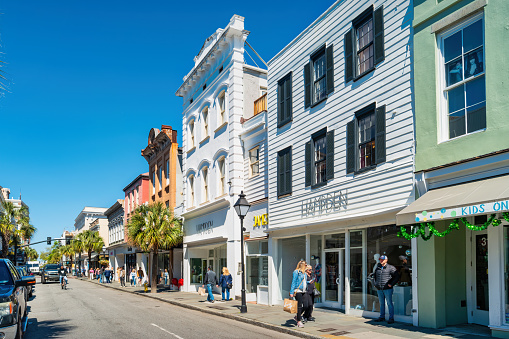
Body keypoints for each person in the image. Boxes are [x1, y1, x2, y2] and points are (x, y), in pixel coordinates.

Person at [373, 255, 400, 324]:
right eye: (380, 259)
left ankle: (391, 318)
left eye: (382, 259)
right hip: (379, 289)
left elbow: (397, 276)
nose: (381, 261)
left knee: (389, 303)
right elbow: (374, 276)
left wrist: (391, 284)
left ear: (386, 260)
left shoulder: (391, 267)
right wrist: (375, 284)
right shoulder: (378, 267)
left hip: (387, 289)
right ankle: (382, 317)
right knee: (381, 304)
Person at [290, 260, 307, 328]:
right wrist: (291, 292)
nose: (306, 266)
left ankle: (297, 316)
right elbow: (293, 282)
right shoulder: (296, 272)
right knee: (299, 306)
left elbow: (305, 282)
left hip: (304, 291)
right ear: (302, 265)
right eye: (305, 265)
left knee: (306, 305)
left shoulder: (304, 273)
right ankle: (299, 321)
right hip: (298, 291)